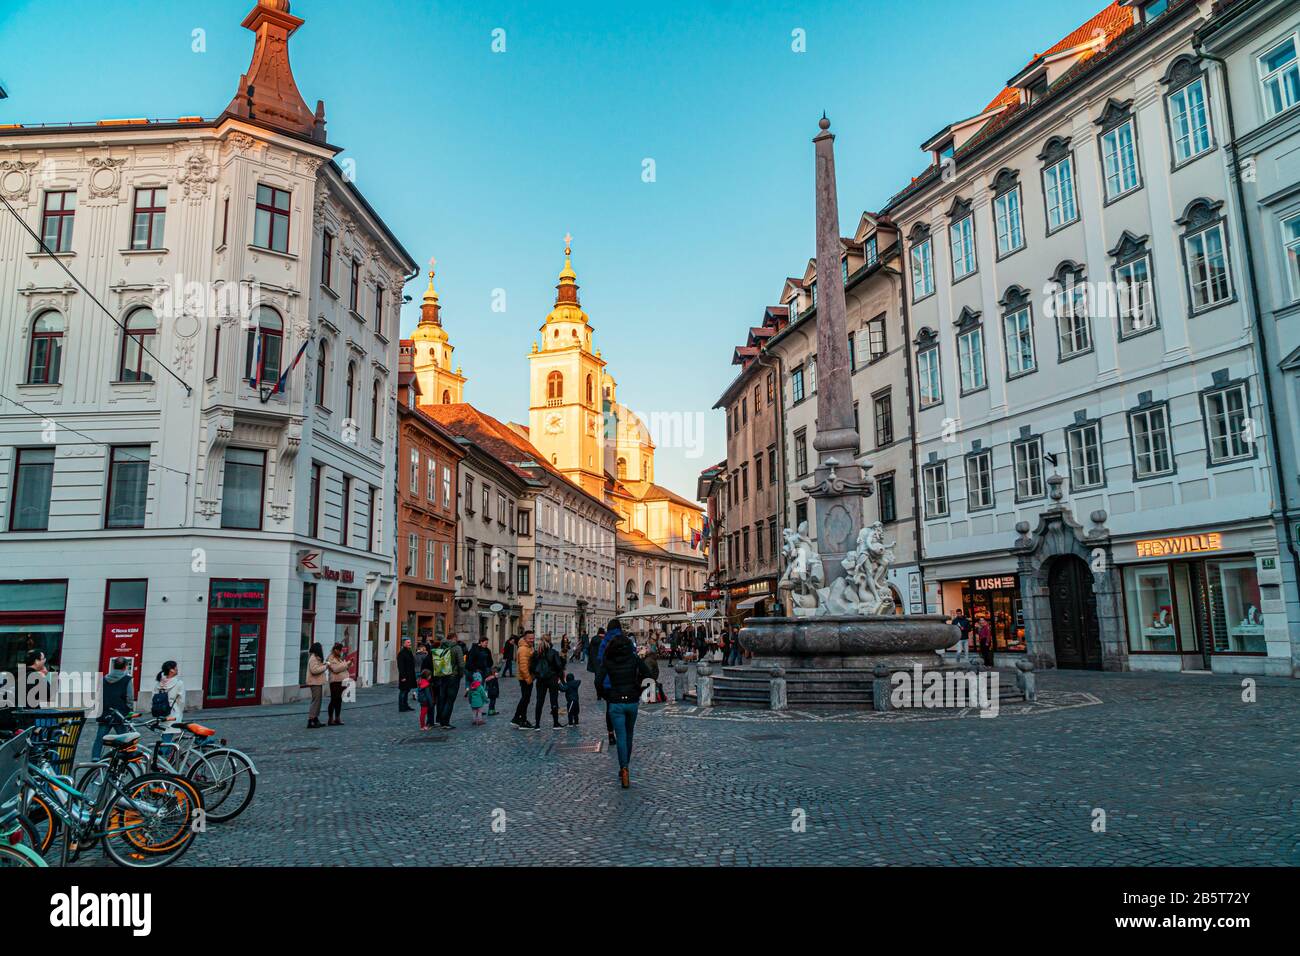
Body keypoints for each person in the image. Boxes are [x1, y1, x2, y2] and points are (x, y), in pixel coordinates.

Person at [596, 630, 652, 789]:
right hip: (632, 701)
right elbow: (648, 675)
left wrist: (605, 695)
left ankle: (624, 768)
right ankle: (625, 765)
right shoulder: (633, 658)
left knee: (620, 736)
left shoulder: (608, 660)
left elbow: (598, 681)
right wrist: (639, 690)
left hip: (615, 702)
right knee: (629, 735)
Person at [91, 658, 133, 761]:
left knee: (100, 738)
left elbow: (98, 695)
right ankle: (127, 756)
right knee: (125, 738)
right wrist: (129, 711)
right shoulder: (127, 679)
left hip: (105, 712)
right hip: (120, 713)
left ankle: (95, 757)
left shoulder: (104, 679)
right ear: (125, 667)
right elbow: (129, 698)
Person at [590, 625, 618, 744]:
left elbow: (598, 680)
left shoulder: (603, 643)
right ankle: (623, 733)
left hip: (606, 681)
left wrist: (601, 692)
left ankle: (610, 734)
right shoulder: (622, 642)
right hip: (620, 683)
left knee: (609, 709)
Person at [430, 634, 464, 730]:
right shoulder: (457, 648)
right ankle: (445, 722)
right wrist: (460, 674)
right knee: (450, 700)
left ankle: (439, 720)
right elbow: (461, 664)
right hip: (453, 676)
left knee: (442, 699)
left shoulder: (441, 646)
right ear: (454, 638)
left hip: (442, 675)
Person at [531, 637, 564, 729]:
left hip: (540, 680)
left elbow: (532, 667)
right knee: (554, 700)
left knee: (539, 701)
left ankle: (537, 724)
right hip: (552, 679)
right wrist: (559, 676)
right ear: (550, 642)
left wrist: (537, 675)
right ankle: (555, 723)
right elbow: (559, 666)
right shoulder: (553, 652)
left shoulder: (536, 653)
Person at [510, 631, 536, 729]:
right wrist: (528, 679)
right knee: (525, 699)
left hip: (527, 677)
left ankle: (520, 719)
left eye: (533, 638)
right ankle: (519, 719)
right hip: (525, 678)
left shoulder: (528, 647)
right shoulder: (523, 649)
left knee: (526, 699)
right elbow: (523, 666)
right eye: (530, 638)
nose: (532, 640)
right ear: (525, 638)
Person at [325, 644, 349, 725]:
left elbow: (342, 666)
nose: (341, 652)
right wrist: (346, 665)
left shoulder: (339, 658)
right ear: (335, 650)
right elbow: (335, 669)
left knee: (339, 700)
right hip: (335, 682)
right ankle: (330, 719)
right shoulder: (330, 658)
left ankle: (337, 718)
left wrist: (348, 663)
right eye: (340, 650)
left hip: (341, 681)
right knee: (334, 700)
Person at [305, 643, 327, 728]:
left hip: (317, 682)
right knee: (316, 701)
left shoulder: (316, 658)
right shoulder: (313, 658)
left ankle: (315, 718)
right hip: (314, 682)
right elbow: (314, 670)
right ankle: (311, 719)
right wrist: (325, 667)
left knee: (318, 701)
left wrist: (324, 665)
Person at [397, 638, 416, 712]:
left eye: (410, 642)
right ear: (404, 644)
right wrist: (403, 676)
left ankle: (405, 705)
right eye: (408, 642)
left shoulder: (409, 652)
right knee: (403, 691)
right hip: (404, 676)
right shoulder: (401, 653)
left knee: (407, 691)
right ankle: (401, 707)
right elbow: (400, 666)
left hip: (409, 675)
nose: (409, 644)